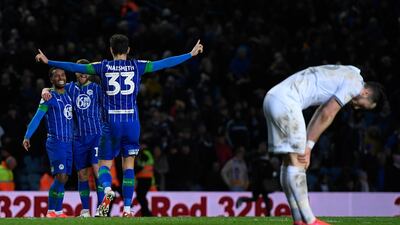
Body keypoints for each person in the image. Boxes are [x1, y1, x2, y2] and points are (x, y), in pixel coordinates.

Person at [35, 34, 203, 217]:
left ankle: (107, 188)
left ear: (111, 50)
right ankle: (128, 209)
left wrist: (48, 61)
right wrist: (190, 54)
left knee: (104, 164)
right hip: (132, 122)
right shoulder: (137, 65)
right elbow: (164, 63)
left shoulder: (103, 66)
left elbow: (76, 67)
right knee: (128, 165)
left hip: (112, 122)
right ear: (128, 50)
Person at [263, 65, 385, 225]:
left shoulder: (350, 73)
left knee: (289, 161)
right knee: (297, 162)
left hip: (272, 98)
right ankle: (310, 220)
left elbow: (321, 111)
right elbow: (328, 113)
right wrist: (308, 147)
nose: (356, 107)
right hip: (287, 102)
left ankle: (298, 220)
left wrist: (308, 144)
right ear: (366, 93)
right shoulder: (354, 84)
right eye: (362, 105)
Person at [41, 59, 104, 217]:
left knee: (97, 172)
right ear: (75, 72)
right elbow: (55, 87)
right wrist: (44, 90)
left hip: (97, 135)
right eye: (79, 70)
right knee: (82, 175)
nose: (82, 73)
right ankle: (85, 210)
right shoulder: (70, 88)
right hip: (78, 139)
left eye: (85, 71)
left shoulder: (97, 89)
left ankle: (103, 209)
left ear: (89, 73)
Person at [22, 68, 73, 218]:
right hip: (56, 141)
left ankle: (58, 211)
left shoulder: (70, 93)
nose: (60, 77)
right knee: (61, 176)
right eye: (56, 76)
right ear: (51, 80)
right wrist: (27, 136)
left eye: (62, 75)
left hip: (69, 142)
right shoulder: (48, 97)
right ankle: (51, 211)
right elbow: (38, 117)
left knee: (65, 177)